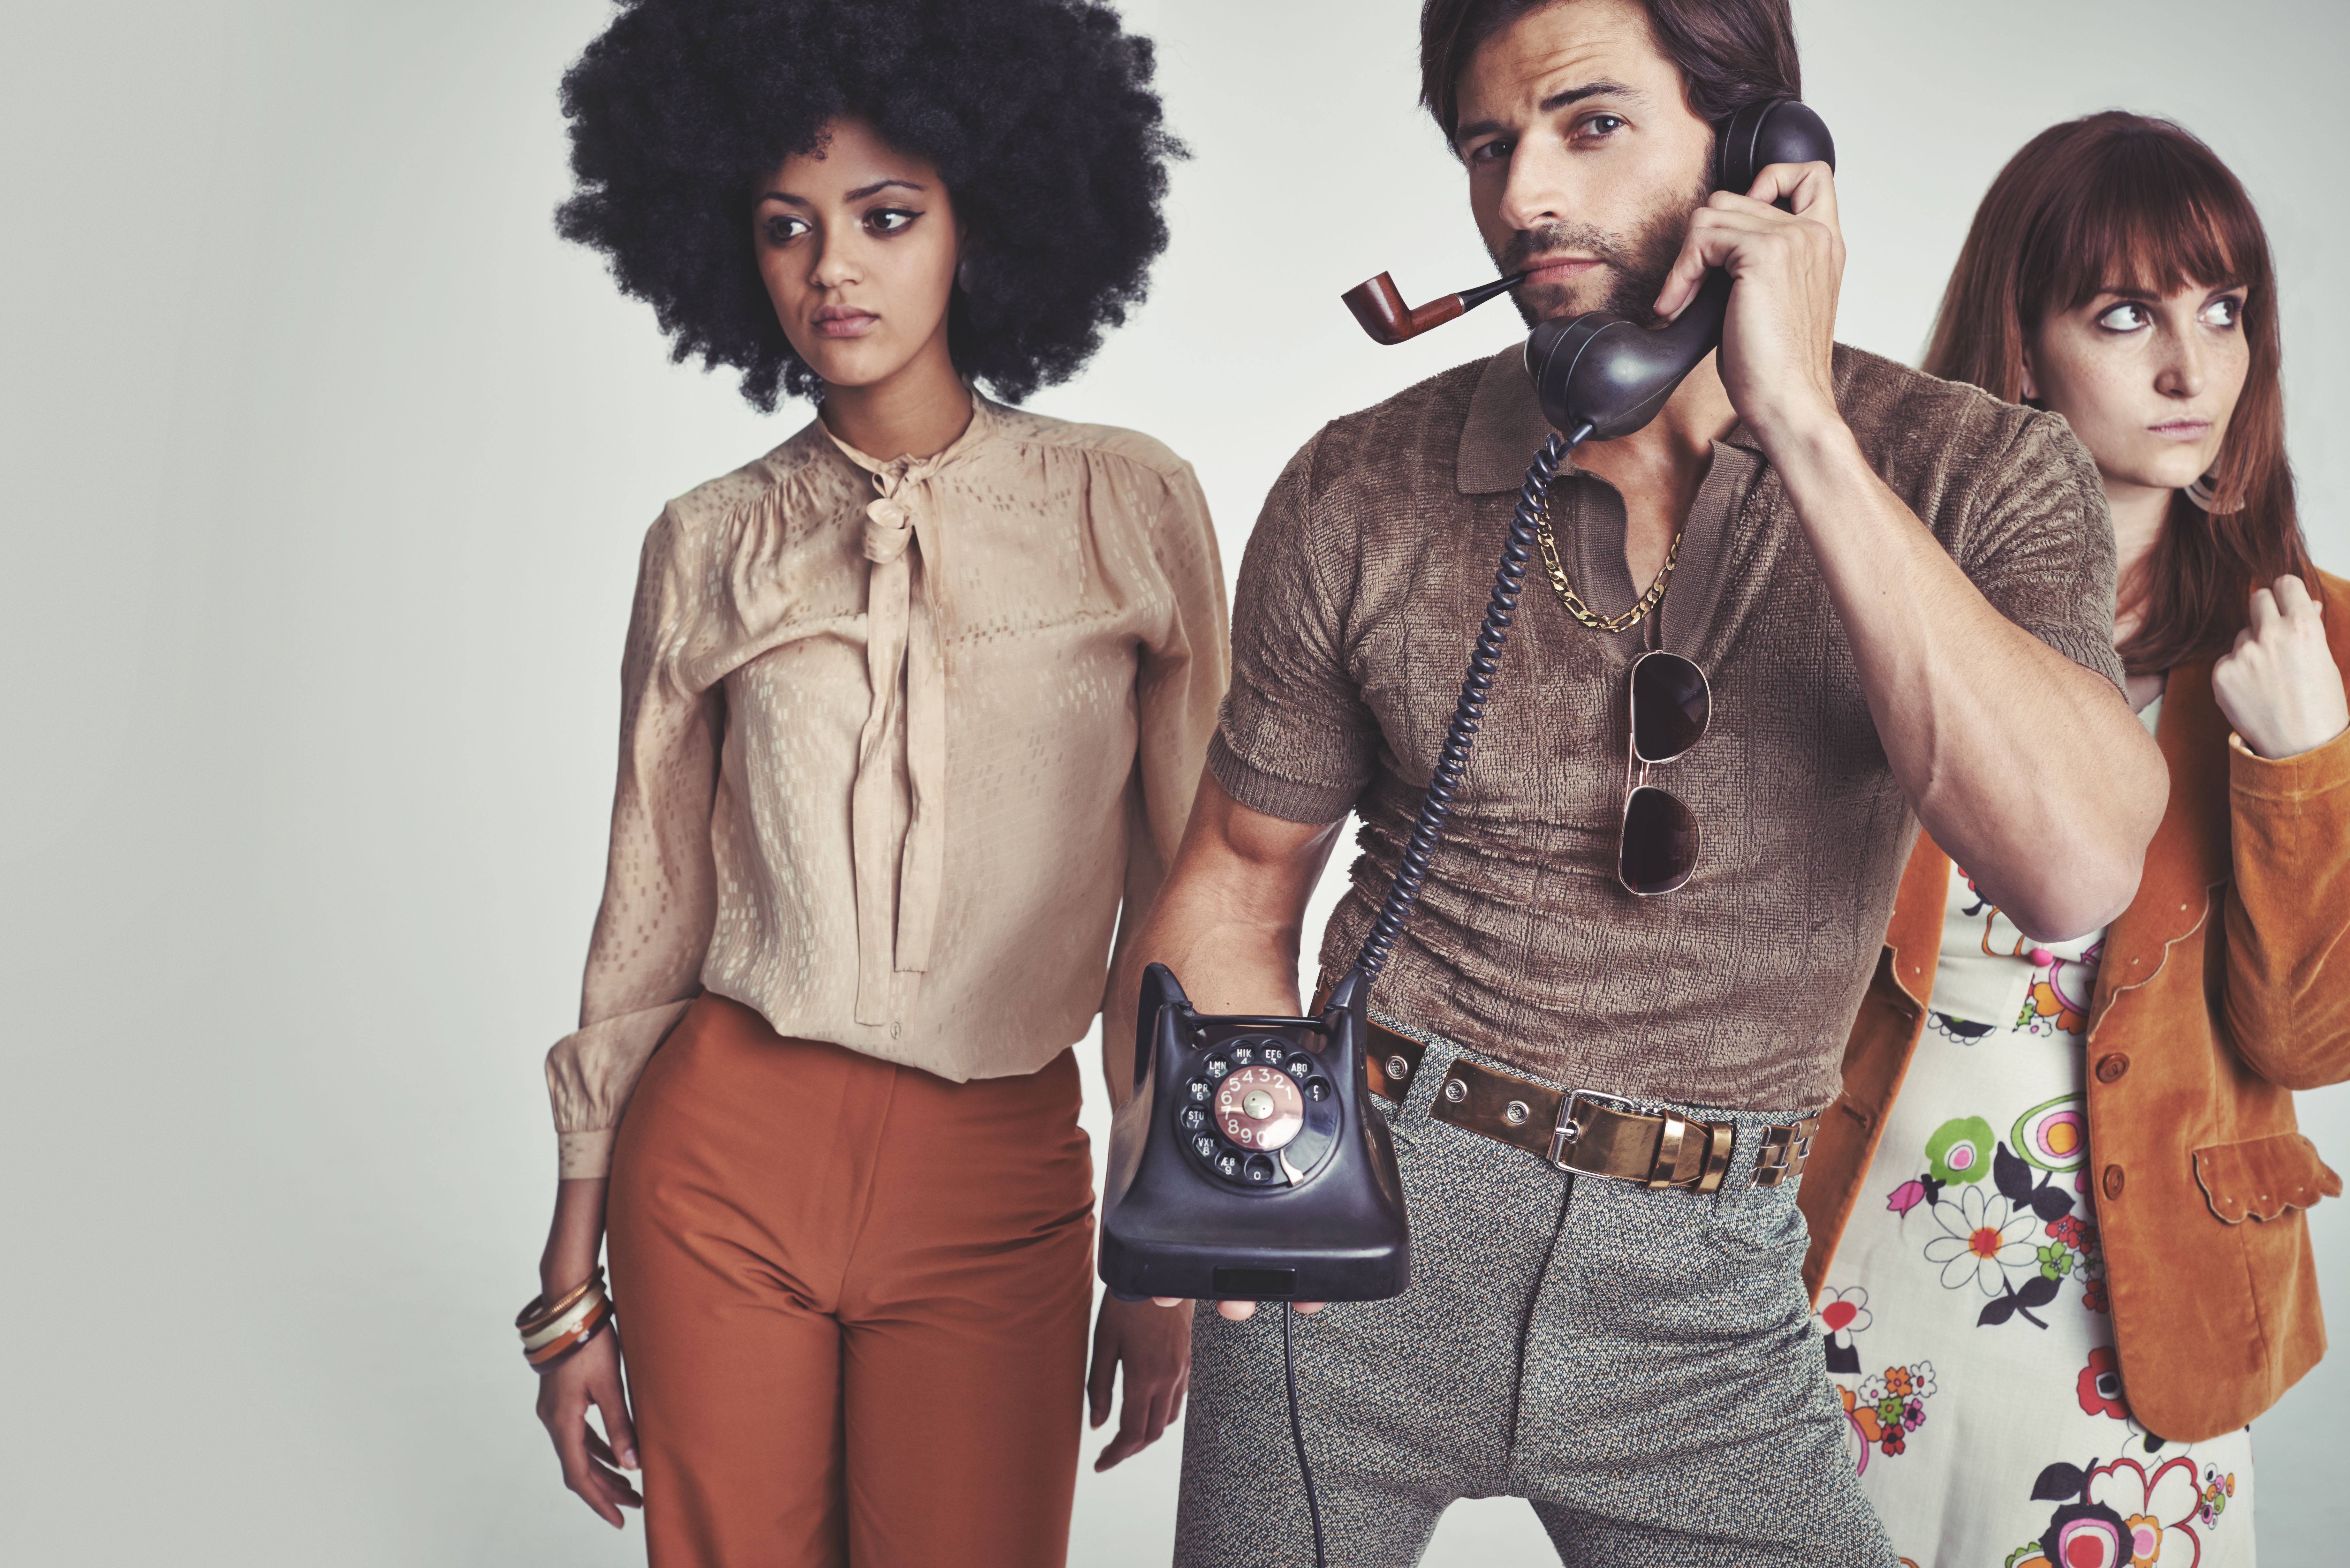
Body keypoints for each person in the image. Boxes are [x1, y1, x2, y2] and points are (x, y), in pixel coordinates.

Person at [1125, 0, 2170, 1563]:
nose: (1525, 194)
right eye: (1490, 146)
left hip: (1705, 1282)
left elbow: (2073, 865)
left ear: (1762, 153)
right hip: (1365, 1218)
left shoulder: (1976, 471)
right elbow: (1238, 869)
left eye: (1588, 124)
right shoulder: (1360, 478)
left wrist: (1802, 423)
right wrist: (1212, 1186)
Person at [522, 3, 1222, 1563]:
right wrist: (569, 1281)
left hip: (1003, 1176)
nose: (832, 268)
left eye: (885, 216)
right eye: (788, 229)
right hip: (721, 1160)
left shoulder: (1131, 507)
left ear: (987, 216)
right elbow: (649, 906)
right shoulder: (706, 540)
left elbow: (1195, 907)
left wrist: (1167, 1237)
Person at [1797, 111, 2350, 1568]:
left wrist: (2296, 764)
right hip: (1840, 1274)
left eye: (2222, 311)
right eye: (2127, 315)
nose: (2191, 369)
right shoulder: (1877, 604)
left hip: (2140, 1325)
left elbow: (2312, 1040)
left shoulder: (2320, 645)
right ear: (2023, 347)